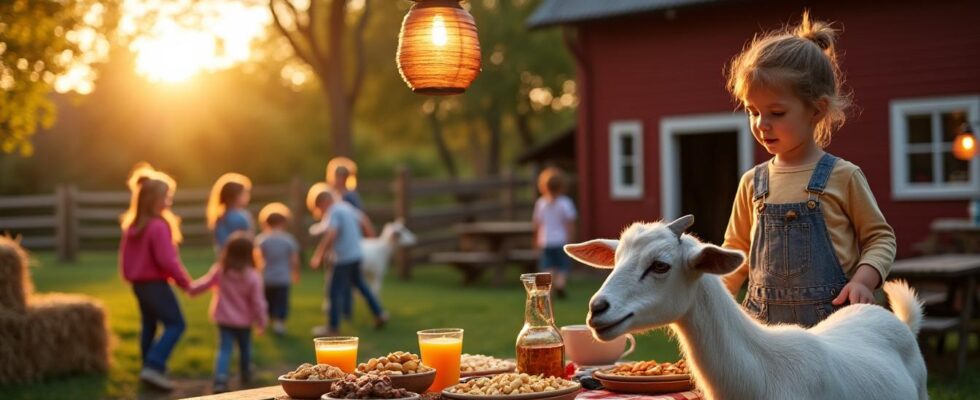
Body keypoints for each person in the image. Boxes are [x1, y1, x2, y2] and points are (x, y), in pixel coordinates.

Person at [721, 12, 896, 327]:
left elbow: (880, 238)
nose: (761, 124)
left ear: (817, 110)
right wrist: (717, 296)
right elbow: (736, 251)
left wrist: (863, 281)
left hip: (833, 329)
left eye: (776, 112)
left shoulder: (844, 176)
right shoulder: (752, 183)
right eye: (752, 111)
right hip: (766, 333)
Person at [119, 163, 192, 391]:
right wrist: (185, 283)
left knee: (149, 325)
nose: (169, 201)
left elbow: (125, 259)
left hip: (139, 285)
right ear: (153, 200)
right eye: (166, 197)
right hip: (155, 284)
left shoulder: (133, 226)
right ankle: (153, 366)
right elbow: (168, 260)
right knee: (176, 324)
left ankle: (148, 370)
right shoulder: (158, 226)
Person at [188, 232, 268, 393]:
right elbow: (258, 302)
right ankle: (245, 374)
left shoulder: (221, 270)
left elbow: (204, 283)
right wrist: (262, 321)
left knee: (224, 349)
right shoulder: (253, 276)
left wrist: (191, 289)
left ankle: (220, 380)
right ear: (251, 253)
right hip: (244, 322)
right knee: (245, 348)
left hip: (224, 319)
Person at [307, 184, 388, 336]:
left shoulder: (334, 211)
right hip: (356, 254)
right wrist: (371, 237)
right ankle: (379, 314)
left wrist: (318, 255)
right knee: (361, 286)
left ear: (323, 202)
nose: (321, 212)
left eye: (319, 208)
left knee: (334, 291)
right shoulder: (345, 207)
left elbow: (331, 233)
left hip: (343, 258)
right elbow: (364, 220)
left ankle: (333, 327)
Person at [255, 202, 300, 336]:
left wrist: (258, 272)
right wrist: (295, 272)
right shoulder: (288, 240)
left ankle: (268, 319)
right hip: (283, 277)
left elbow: (258, 257)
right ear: (284, 222)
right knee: (281, 301)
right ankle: (279, 323)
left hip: (267, 277)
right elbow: (294, 259)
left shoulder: (262, 239)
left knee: (267, 300)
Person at [532, 167, 577, 299]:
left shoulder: (541, 203)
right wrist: (571, 238)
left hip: (546, 240)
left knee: (548, 266)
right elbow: (569, 223)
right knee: (563, 266)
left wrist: (535, 240)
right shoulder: (565, 203)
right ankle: (560, 284)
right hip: (561, 240)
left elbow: (537, 224)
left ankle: (549, 290)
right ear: (562, 185)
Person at [207, 173, 254, 251]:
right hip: (242, 255)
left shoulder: (220, 217)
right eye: (244, 193)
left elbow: (221, 243)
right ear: (236, 196)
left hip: (227, 256)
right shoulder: (241, 216)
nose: (248, 196)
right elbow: (250, 240)